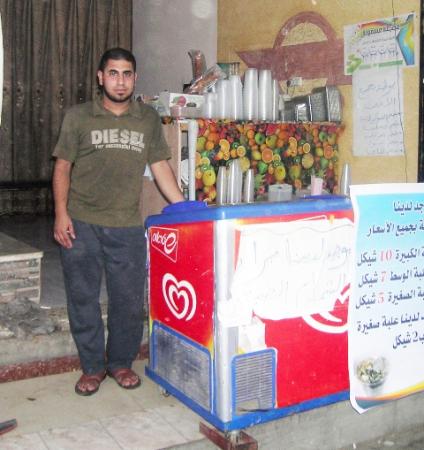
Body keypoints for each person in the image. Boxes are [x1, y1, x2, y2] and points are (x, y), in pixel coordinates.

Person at [52, 48, 184, 396]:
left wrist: (184, 209)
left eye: (127, 74)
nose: (120, 81)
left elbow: (160, 167)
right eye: (113, 73)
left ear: (135, 79)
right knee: (82, 298)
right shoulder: (78, 117)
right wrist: (61, 213)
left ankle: (121, 363)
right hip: (81, 222)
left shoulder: (147, 119)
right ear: (101, 77)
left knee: (128, 300)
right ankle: (92, 367)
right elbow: (62, 166)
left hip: (126, 224)